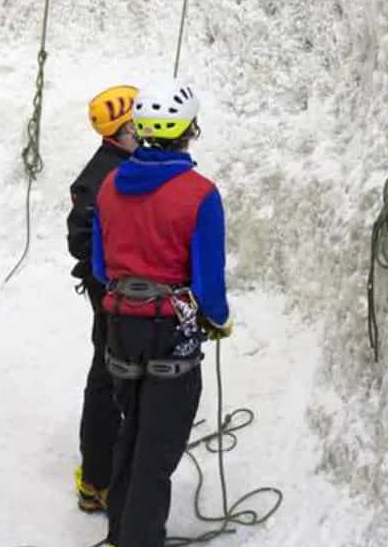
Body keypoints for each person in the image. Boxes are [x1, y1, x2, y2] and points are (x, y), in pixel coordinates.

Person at [90, 79, 231, 547]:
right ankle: (138, 539)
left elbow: (98, 263)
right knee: (159, 446)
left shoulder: (110, 185)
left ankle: (119, 531)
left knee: (131, 429)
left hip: (120, 327)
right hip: (171, 331)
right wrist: (219, 318)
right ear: (191, 130)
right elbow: (208, 282)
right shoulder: (199, 194)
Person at [68, 84, 140, 514]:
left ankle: (100, 473)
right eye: (138, 123)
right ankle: (98, 477)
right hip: (111, 293)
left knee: (110, 372)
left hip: (111, 289)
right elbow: (80, 241)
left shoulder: (118, 166)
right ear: (122, 130)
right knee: (108, 375)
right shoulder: (102, 178)